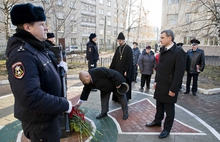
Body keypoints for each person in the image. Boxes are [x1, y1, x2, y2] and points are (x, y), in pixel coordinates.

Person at [6, 3, 72, 141]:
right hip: (40, 125)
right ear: (27, 27)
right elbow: (30, 96)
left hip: (48, 118)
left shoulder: (36, 47)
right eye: (42, 24)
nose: (46, 27)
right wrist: (64, 104)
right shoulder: (22, 55)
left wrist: (60, 69)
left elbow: (44, 72)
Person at [145, 30, 186, 139]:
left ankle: (167, 129)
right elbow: (160, 68)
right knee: (159, 106)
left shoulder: (178, 52)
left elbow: (179, 72)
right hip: (161, 84)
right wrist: (156, 81)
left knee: (169, 110)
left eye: (162, 37)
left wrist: (173, 89)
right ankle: (157, 121)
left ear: (170, 38)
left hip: (170, 86)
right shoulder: (162, 50)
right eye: (160, 37)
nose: (160, 40)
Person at [110, 32, 133, 101]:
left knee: (124, 83)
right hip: (117, 70)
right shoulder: (118, 48)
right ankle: (116, 98)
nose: (119, 42)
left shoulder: (128, 48)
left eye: (120, 40)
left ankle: (125, 98)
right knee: (117, 83)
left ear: (123, 40)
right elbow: (114, 59)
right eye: (118, 40)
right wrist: (111, 69)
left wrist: (127, 70)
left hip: (124, 71)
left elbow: (129, 61)